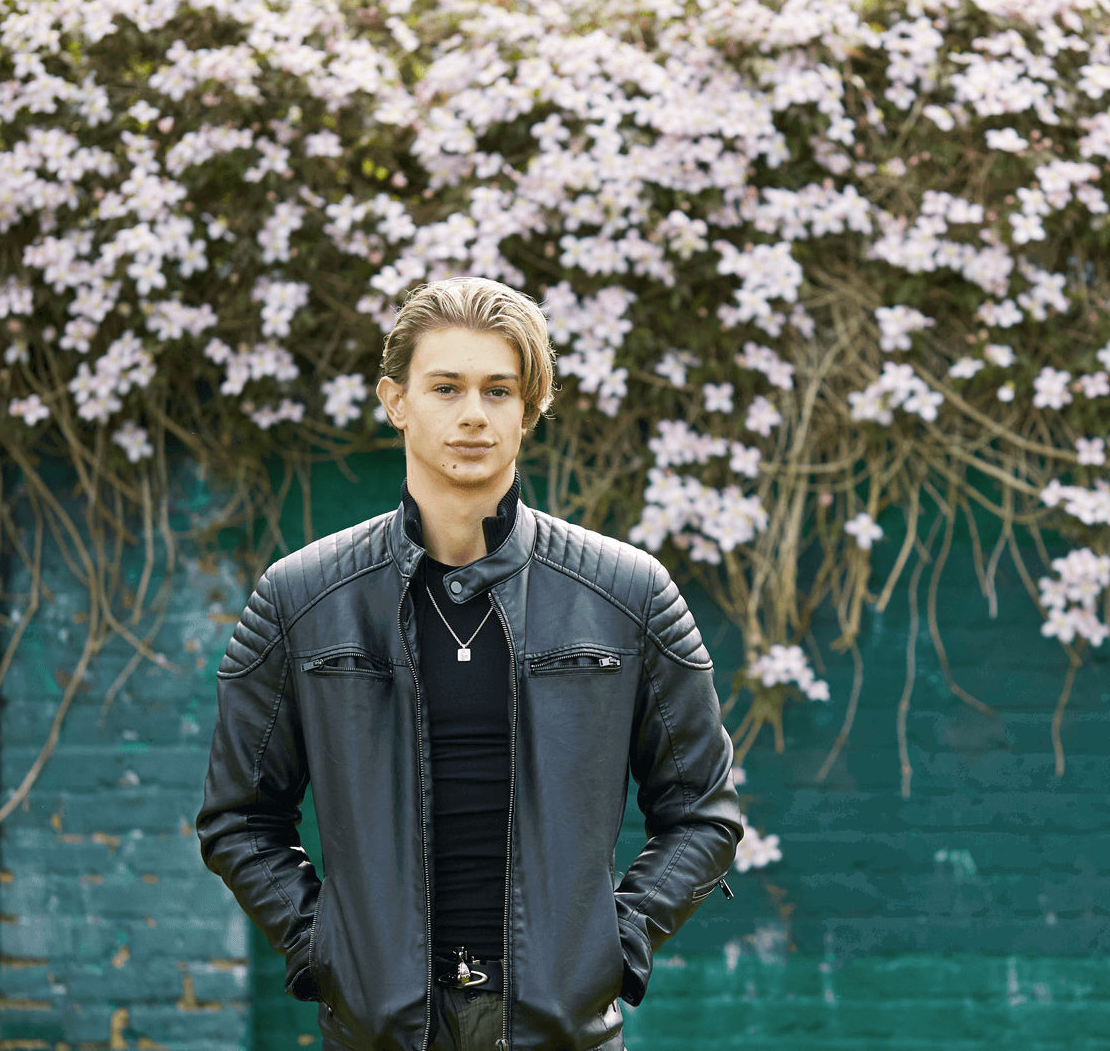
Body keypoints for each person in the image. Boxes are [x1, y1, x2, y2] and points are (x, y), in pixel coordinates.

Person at [195, 276, 743, 1050]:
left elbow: (702, 811)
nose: (473, 415)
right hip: (375, 1033)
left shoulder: (628, 594)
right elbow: (238, 818)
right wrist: (327, 950)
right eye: (446, 387)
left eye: (499, 390)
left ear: (530, 409)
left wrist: (610, 948)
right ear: (396, 401)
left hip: (562, 1034)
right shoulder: (301, 598)